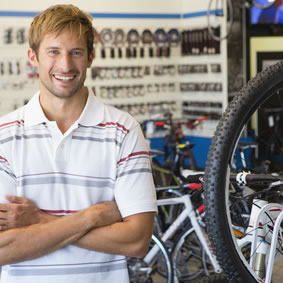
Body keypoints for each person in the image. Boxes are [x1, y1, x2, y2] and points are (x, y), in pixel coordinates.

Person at [0, 4, 157, 283]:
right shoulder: (4, 135)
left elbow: (136, 241)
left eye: (76, 52)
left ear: (90, 57)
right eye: (53, 52)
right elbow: (3, 249)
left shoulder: (124, 131)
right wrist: (94, 215)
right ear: (32, 57)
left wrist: (39, 220)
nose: (65, 66)